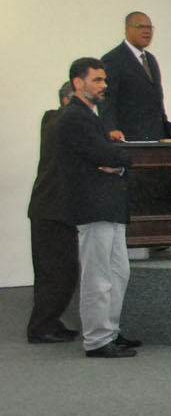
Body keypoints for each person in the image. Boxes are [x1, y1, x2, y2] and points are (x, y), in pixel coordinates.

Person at [58, 58, 139, 358]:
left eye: (105, 80)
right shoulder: (74, 117)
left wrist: (114, 163)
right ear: (78, 82)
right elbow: (106, 154)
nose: (104, 85)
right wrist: (118, 160)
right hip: (93, 206)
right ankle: (96, 340)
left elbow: (111, 157)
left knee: (119, 272)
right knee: (98, 275)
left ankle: (110, 331)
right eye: (97, 80)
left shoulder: (90, 115)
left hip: (109, 205)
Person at [26, 81, 79, 344]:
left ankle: (49, 322)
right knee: (55, 273)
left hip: (53, 208)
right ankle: (41, 327)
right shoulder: (58, 123)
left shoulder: (53, 121)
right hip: (52, 208)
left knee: (60, 272)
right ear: (68, 100)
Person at [100, 12, 171, 142]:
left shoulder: (150, 59)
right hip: (129, 137)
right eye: (141, 27)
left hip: (156, 136)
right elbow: (107, 98)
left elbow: (156, 99)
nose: (147, 31)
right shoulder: (113, 59)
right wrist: (110, 129)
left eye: (150, 28)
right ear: (127, 29)